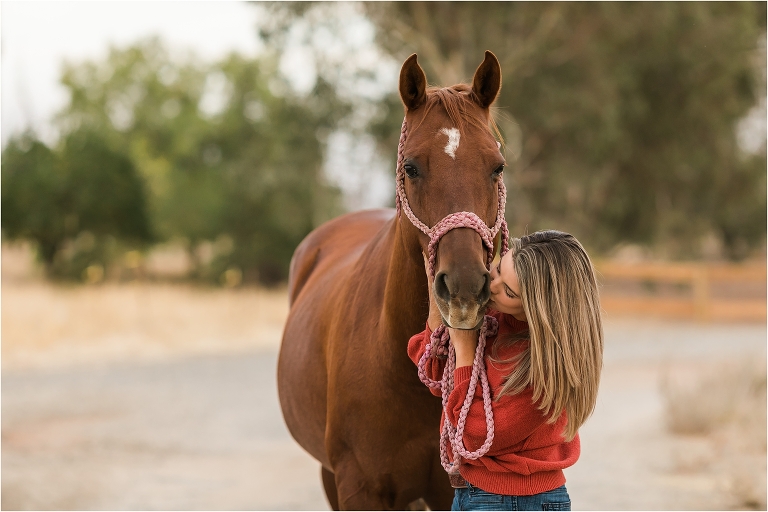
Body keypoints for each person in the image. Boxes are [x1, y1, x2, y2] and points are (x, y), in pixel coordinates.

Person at [408, 230, 603, 511]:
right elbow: (435, 374)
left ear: (536, 308)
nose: (493, 286)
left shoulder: (545, 370)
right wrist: (439, 305)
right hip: (476, 493)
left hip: (515, 502)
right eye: (498, 269)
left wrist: (464, 348)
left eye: (509, 291)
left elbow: (475, 434)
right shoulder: (499, 317)